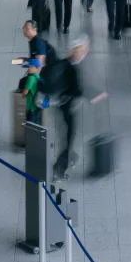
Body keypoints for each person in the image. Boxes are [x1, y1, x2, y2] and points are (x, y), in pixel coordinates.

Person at [47, 36, 107, 180]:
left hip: (61, 106)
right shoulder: (71, 68)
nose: (84, 52)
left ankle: (70, 157)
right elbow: (76, 90)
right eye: (82, 49)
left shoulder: (63, 63)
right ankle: (59, 170)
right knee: (68, 138)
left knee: (66, 136)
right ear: (75, 50)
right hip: (67, 108)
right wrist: (92, 97)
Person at [19, 58, 44, 125]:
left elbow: (25, 92)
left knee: (30, 125)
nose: (29, 68)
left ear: (36, 68)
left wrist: (21, 97)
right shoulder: (37, 76)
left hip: (31, 107)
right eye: (29, 67)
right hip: (37, 106)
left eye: (31, 67)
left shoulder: (31, 78)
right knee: (36, 125)